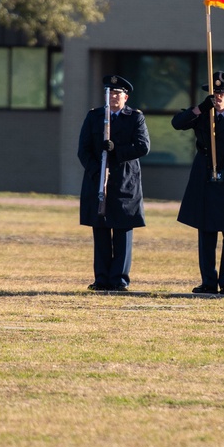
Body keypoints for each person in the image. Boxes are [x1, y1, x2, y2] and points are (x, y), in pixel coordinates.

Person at [172, 70, 224, 295]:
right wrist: (200, 107)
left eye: (222, 93)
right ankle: (208, 280)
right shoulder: (201, 114)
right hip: (205, 176)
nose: (218, 97)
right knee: (206, 231)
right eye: (214, 93)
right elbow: (177, 123)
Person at [78, 75, 150, 292]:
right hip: (98, 181)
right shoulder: (95, 116)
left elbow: (142, 147)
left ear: (125, 97)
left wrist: (116, 150)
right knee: (100, 231)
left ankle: (119, 279)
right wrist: (97, 171)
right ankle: (101, 278)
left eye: (117, 94)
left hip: (124, 183)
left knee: (122, 232)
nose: (113, 97)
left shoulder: (135, 118)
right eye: (110, 93)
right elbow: (83, 150)